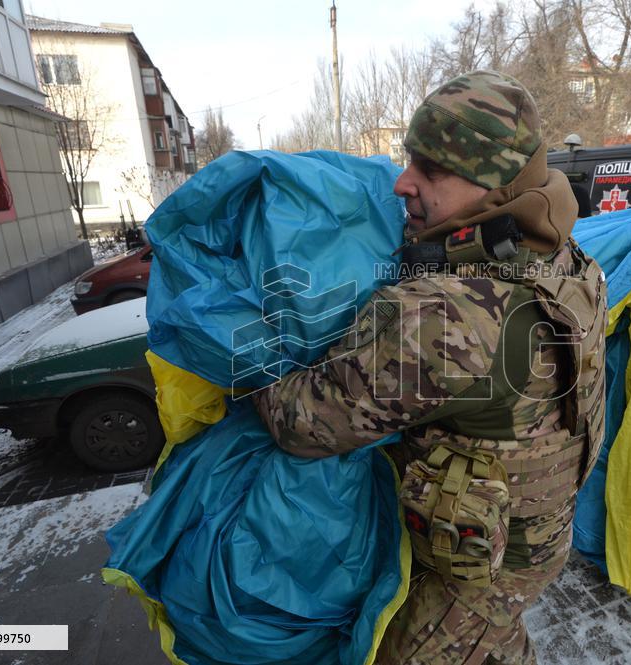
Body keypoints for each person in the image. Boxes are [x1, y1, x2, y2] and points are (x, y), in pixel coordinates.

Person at [251, 70, 607, 664]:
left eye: (430, 170)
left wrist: (252, 362)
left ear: (495, 186)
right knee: (500, 640)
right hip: (532, 542)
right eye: (410, 160)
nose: (402, 183)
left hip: (461, 581)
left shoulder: (443, 315)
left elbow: (301, 423)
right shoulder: (569, 258)